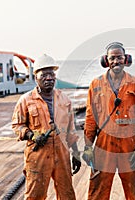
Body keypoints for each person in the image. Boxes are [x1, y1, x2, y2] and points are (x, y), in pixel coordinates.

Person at [82, 42, 135, 200]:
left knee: (134, 188)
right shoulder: (96, 84)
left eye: (119, 57)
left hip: (129, 143)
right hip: (104, 143)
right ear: (105, 61)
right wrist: (87, 146)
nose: (116, 61)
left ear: (126, 59)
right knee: (98, 189)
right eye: (112, 58)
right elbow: (90, 116)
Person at [12, 54, 81, 200]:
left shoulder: (65, 99)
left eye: (51, 74)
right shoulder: (26, 100)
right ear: (36, 77)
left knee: (67, 194)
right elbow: (17, 125)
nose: (49, 78)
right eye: (44, 75)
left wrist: (76, 154)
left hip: (62, 155)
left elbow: (71, 131)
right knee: (35, 195)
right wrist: (32, 135)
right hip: (38, 156)